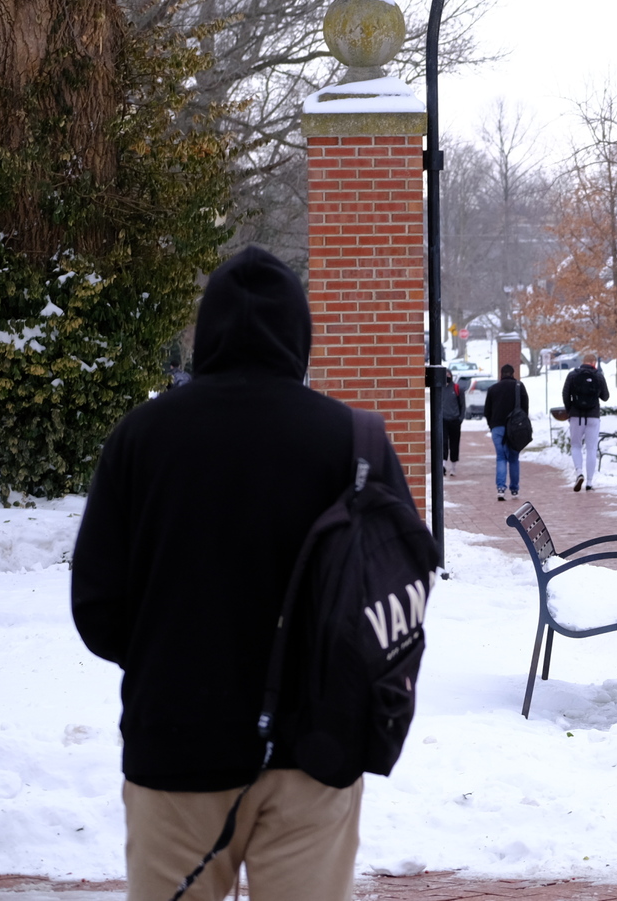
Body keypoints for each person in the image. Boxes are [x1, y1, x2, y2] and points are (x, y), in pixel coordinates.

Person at [71, 245, 411, 901]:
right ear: (300, 333)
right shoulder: (354, 442)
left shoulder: (139, 438)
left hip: (174, 746)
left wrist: (171, 656)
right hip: (316, 752)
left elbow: (97, 605)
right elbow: (395, 595)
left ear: (207, 331)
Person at [561, 350, 609, 492]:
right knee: (591, 449)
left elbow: (565, 394)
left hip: (576, 416)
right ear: (594, 363)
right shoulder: (598, 376)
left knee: (576, 446)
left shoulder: (572, 375)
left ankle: (579, 472)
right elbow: (605, 396)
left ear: (583, 362)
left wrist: (570, 410)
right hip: (593, 416)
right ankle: (589, 482)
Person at [485, 363, 530, 503]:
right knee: (514, 458)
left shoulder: (493, 389)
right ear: (513, 373)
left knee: (501, 458)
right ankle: (515, 489)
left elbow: (487, 411)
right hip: (515, 428)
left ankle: (500, 489)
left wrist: (492, 425)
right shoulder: (519, 386)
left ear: (501, 373)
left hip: (498, 427)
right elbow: (525, 407)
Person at [437, 374, 466, 477]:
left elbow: (462, 405)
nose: (447, 377)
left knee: (454, 444)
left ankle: (453, 467)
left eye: (448, 375)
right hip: (443, 420)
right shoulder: (440, 389)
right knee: (443, 443)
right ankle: (443, 465)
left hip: (455, 420)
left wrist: (460, 418)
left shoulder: (457, 388)